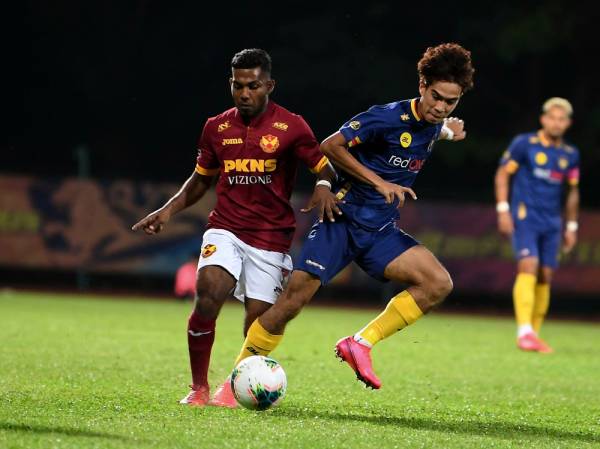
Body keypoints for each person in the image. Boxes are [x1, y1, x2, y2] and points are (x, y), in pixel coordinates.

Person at [229, 43, 475, 391]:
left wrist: (450, 130)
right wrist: (377, 182)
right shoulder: (387, 117)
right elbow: (330, 145)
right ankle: (235, 380)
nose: (440, 106)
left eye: (450, 101)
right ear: (422, 86)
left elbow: (434, 129)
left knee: (438, 283)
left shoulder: (433, 125)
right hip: (341, 222)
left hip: (380, 232)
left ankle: (359, 343)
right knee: (290, 304)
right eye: (435, 96)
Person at [132, 48, 338, 406]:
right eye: (237, 85)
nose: (244, 93)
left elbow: (325, 167)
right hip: (225, 227)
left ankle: (234, 386)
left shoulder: (291, 126)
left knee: (257, 323)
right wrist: (167, 211)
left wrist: (323, 185)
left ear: (269, 85)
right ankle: (198, 388)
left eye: (253, 86)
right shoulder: (216, 127)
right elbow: (200, 180)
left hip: (271, 238)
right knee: (208, 292)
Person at [494, 97, 580, 353]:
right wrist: (503, 209)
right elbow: (502, 174)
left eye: (562, 119)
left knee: (546, 275)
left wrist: (572, 226)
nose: (556, 123)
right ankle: (524, 332)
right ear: (543, 119)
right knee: (528, 264)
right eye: (552, 117)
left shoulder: (570, 154)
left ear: (568, 124)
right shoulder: (525, 144)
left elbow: (573, 191)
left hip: (553, 221)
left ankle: (533, 333)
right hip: (525, 216)